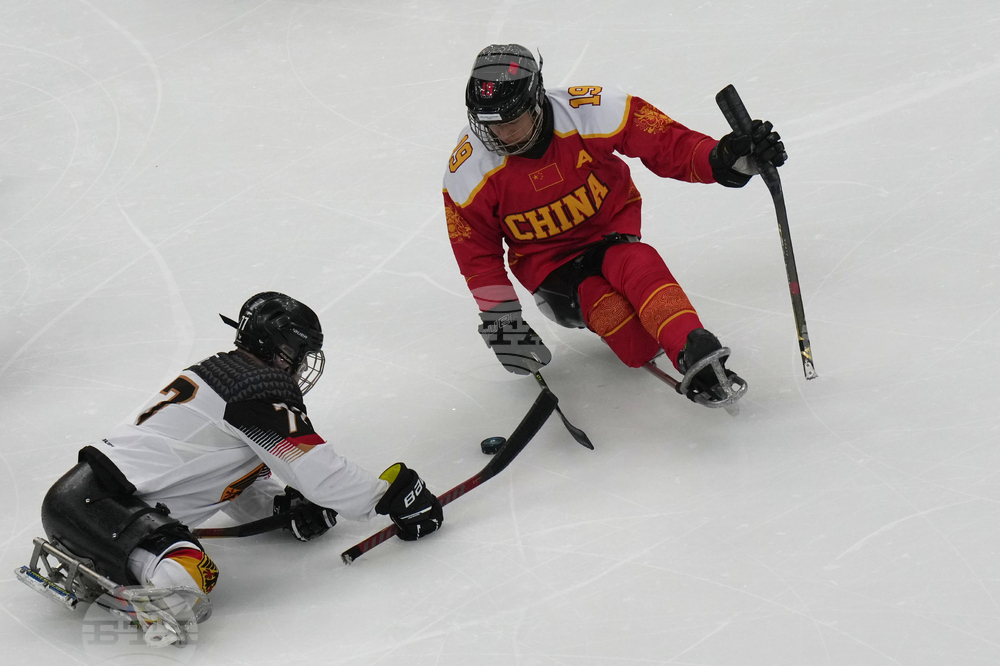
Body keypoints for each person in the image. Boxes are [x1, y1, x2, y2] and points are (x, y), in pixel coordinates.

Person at [26, 292, 443, 644]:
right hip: (106, 510)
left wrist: (282, 509)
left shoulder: (222, 377)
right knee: (192, 578)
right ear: (279, 347)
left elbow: (233, 480)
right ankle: (138, 593)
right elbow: (315, 468)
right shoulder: (255, 389)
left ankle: (104, 559)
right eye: (299, 352)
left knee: (187, 565)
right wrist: (390, 496)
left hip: (78, 505)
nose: (301, 364)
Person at [443, 44, 787, 406]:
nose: (500, 135)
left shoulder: (591, 110)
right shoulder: (467, 171)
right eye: (489, 124)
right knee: (632, 337)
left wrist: (724, 157)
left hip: (609, 238)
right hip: (552, 272)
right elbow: (476, 255)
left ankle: (692, 347)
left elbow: (666, 143)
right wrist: (501, 319)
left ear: (536, 101)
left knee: (640, 264)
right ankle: (646, 335)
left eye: (510, 122)